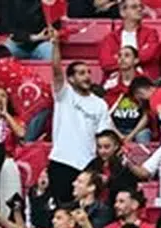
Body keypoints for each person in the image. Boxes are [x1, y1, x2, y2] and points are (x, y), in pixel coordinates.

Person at [47, 29, 114, 205]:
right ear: (71, 78)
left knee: (83, 210)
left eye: (89, 73)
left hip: (87, 165)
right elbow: (56, 70)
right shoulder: (64, 94)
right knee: (62, 210)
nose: (87, 77)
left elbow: (104, 136)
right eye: (81, 73)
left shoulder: (100, 104)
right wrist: (55, 44)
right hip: (62, 161)